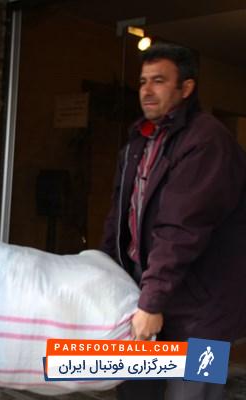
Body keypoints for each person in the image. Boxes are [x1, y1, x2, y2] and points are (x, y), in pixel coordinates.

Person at [101, 42, 246, 400]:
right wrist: (107, 274)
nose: (147, 90)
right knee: (136, 393)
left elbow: (182, 229)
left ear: (186, 88)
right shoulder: (139, 142)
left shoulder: (207, 141)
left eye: (159, 80)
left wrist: (151, 302)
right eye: (142, 81)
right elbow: (119, 218)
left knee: (194, 395)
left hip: (204, 310)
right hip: (147, 293)